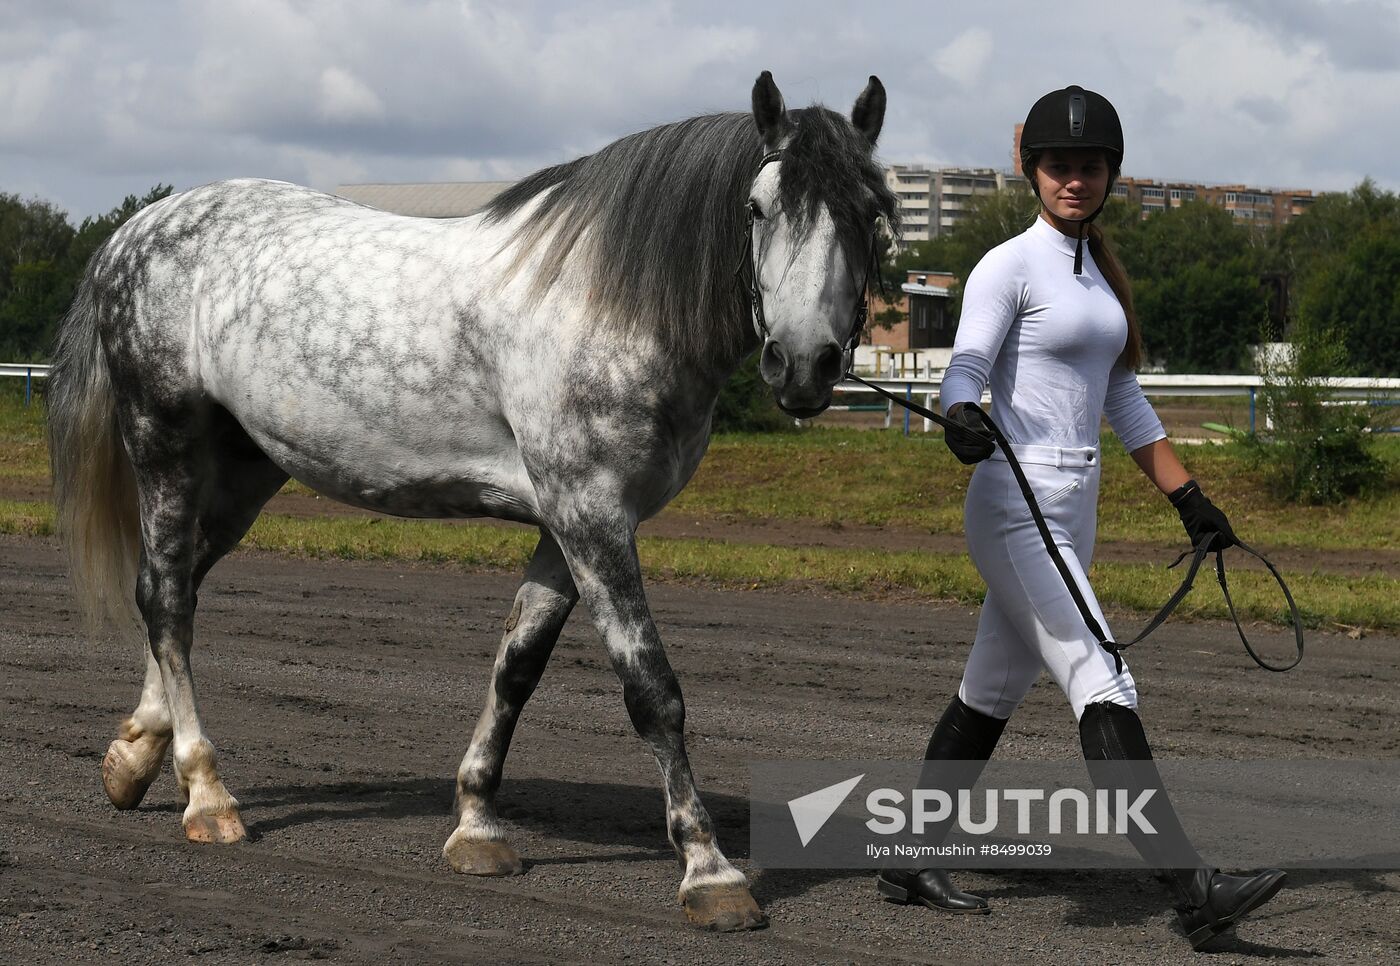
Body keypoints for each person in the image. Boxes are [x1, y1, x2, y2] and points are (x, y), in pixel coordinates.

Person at [874, 85, 1286, 950]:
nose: (1073, 179)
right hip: (1016, 505)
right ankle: (1192, 890)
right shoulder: (1008, 265)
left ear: (1110, 176)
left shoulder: (1100, 276)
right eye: (1059, 166)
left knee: (992, 686)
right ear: (1034, 171)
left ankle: (909, 855)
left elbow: (1124, 398)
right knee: (1103, 678)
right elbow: (968, 365)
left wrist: (1189, 500)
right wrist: (959, 413)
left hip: (1077, 505)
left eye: (1088, 166)